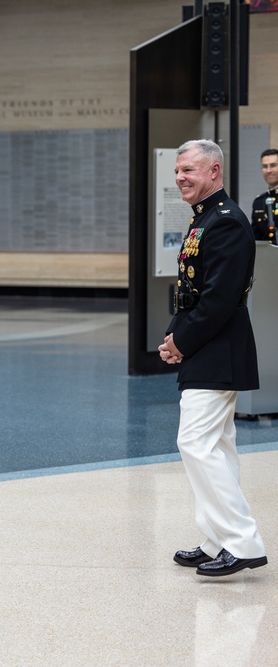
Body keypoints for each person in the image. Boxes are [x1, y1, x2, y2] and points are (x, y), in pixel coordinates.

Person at [159, 139, 268, 578]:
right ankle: (218, 539)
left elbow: (218, 300)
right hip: (208, 344)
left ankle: (243, 542)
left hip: (217, 347)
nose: (181, 177)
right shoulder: (205, 218)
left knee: (195, 443)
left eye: (189, 170)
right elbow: (193, 289)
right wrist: (173, 332)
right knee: (217, 447)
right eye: (178, 171)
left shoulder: (224, 223)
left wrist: (181, 341)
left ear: (214, 172)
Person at [249, 148, 278, 244]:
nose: (268, 170)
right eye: (265, 166)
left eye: (273, 165)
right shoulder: (259, 202)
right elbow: (255, 237)